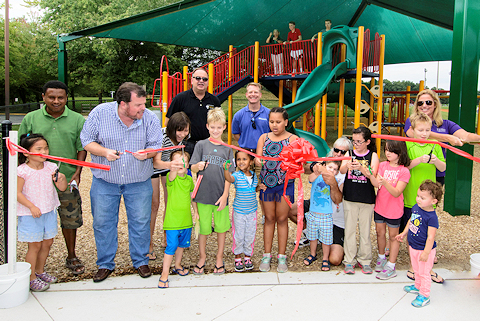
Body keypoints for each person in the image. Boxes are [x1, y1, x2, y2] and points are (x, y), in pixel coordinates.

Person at [81, 82, 173, 282]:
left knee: (140, 222)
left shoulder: (149, 118)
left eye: (144, 103)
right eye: (138, 104)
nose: (143, 108)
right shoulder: (99, 113)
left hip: (139, 181)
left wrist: (148, 154)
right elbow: (86, 140)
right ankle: (105, 263)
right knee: (103, 223)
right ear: (123, 104)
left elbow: (156, 145)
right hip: (105, 181)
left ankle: (141, 260)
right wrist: (104, 152)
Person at [19, 80, 87, 276]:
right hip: (35, 181)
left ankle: (71, 255)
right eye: (51, 97)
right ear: (43, 97)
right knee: (37, 219)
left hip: (64, 178)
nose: (56, 101)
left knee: (70, 218)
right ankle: (35, 263)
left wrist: (77, 172)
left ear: (66, 98)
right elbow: (20, 148)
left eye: (61, 97)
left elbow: (82, 147)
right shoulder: (31, 118)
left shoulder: (77, 120)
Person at [17, 134, 68, 291]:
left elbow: (62, 188)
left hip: (49, 210)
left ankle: (40, 271)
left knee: (47, 243)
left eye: (46, 148)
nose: (44, 152)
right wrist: (31, 206)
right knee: (34, 246)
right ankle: (31, 277)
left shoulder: (52, 167)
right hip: (30, 214)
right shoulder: (22, 171)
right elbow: (17, 193)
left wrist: (62, 179)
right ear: (26, 152)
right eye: (39, 149)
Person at [190, 108, 234, 275]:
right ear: (207, 126)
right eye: (213, 127)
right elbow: (193, 167)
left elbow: (229, 176)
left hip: (220, 196)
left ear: (224, 127)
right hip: (202, 195)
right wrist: (197, 166)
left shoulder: (228, 149)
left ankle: (219, 257)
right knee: (203, 229)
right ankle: (202, 257)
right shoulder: (201, 145)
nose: (216, 131)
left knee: (222, 229)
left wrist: (225, 196)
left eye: (219, 127)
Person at [402, 112, 446, 284]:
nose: (424, 133)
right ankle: (414, 265)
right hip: (411, 194)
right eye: (420, 130)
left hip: (429, 198)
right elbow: (404, 165)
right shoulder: (408, 144)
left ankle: (427, 265)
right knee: (412, 229)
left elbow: (443, 166)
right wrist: (419, 159)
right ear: (412, 130)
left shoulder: (435, 144)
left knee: (428, 231)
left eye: (427, 130)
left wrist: (435, 161)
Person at [404, 89, 480, 185]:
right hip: (415, 171)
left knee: (432, 199)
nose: (424, 105)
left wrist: (478, 138)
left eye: (428, 102)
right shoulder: (411, 121)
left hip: (437, 173)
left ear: (435, 104)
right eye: (420, 103)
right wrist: (447, 138)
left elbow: (466, 135)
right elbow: (413, 134)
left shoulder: (446, 124)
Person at [255, 107, 298, 273]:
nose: (274, 125)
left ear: (286, 122)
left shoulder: (294, 139)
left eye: (278, 122)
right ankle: (266, 255)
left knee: (282, 218)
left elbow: (298, 162)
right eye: (271, 121)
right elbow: (258, 160)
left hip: (285, 186)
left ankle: (281, 256)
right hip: (267, 185)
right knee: (269, 218)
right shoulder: (263, 138)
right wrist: (257, 163)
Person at [365, 140, 410, 280]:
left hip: (394, 209)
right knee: (379, 233)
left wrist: (385, 182)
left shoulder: (404, 171)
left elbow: (397, 192)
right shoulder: (383, 165)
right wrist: (370, 174)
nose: (388, 153)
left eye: (391, 150)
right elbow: (376, 183)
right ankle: (381, 257)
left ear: (399, 152)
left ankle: (391, 265)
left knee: (393, 237)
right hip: (380, 206)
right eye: (386, 150)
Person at [149, 112, 191, 258]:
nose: (182, 134)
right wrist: (172, 164)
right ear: (172, 128)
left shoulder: (184, 139)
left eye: (185, 130)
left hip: (169, 169)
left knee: (170, 203)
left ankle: (167, 237)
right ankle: (149, 244)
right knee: (154, 205)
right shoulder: (162, 137)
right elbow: (156, 161)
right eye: (179, 130)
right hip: (154, 170)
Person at [397, 180, 443, 308]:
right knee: (417, 269)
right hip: (413, 246)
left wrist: (426, 253)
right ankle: (418, 286)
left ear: (434, 201)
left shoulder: (432, 217)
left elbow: (430, 237)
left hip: (424, 250)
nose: (418, 199)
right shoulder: (416, 208)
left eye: (422, 198)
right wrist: (404, 233)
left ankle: (425, 295)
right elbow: (411, 221)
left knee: (424, 273)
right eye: (418, 196)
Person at [340, 126, 379, 275]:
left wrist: (363, 169)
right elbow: (342, 170)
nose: (355, 144)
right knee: (349, 230)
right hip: (350, 197)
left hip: (366, 198)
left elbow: (374, 175)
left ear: (368, 141)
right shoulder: (349, 153)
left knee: (365, 232)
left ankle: (365, 260)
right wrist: (348, 166)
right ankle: (349, 261)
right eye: (353, 141)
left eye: (359, 141)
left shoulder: (373, 155)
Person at [157, 151, 195, 288]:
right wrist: (173, 167)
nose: (180, 165)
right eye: (177, 162)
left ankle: (178, 265)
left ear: (188, 165)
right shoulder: (170, 177)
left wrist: (196, 212)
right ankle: (164, 274)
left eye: (183, 162)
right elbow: (172, 173)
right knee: (171, 246)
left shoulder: (190, 180)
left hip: (186, 221)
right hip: (172, 222)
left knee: (181, 245)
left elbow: (192, 197)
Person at [224, 151, 265, 272]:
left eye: (244, 159)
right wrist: (226, 170)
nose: (241, 162)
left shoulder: (253, 175)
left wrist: (259, 187)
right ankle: (237, 257)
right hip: (239, 212)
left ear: (251, 161)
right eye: (238, 159)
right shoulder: (236, 175)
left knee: (250, 234)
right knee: (239, 235)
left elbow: (252, 189)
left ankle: (247, 256)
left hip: (252, 211)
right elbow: (229, 178)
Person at [165, 68, 221, 156]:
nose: (201, 81)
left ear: (208, 82)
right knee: (185, 169)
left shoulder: (214, 101)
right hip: (186, 144)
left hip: (208, 144)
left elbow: (219, 123)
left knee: (207, 169)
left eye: (205, 79)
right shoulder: (180, 99)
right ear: (191, 80)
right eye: (198, 78)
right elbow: (167, 122)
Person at [303, 161, 342, 272]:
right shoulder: (318, 176)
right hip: (313, 213)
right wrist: (318, 170)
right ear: (324, 166)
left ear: (337, 172)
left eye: (335, 169)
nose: (331, 170)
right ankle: (312, 254)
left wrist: (332, 180)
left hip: (326, 216)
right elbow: (310, 179)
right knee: (312, 237)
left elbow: (337, 196)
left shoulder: (334, 182)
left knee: (326, 240)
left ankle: (325, 258)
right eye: (330, 167)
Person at [232, 83, 271, 152]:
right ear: (246, 95)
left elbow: (273, 133)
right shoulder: (238, 115)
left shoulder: (269, 114)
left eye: (256, 92)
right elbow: (236, 134)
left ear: (260, 95)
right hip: (245, 153)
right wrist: (246, 143)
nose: (253, 94)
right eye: (250, 92)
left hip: (264, 153)